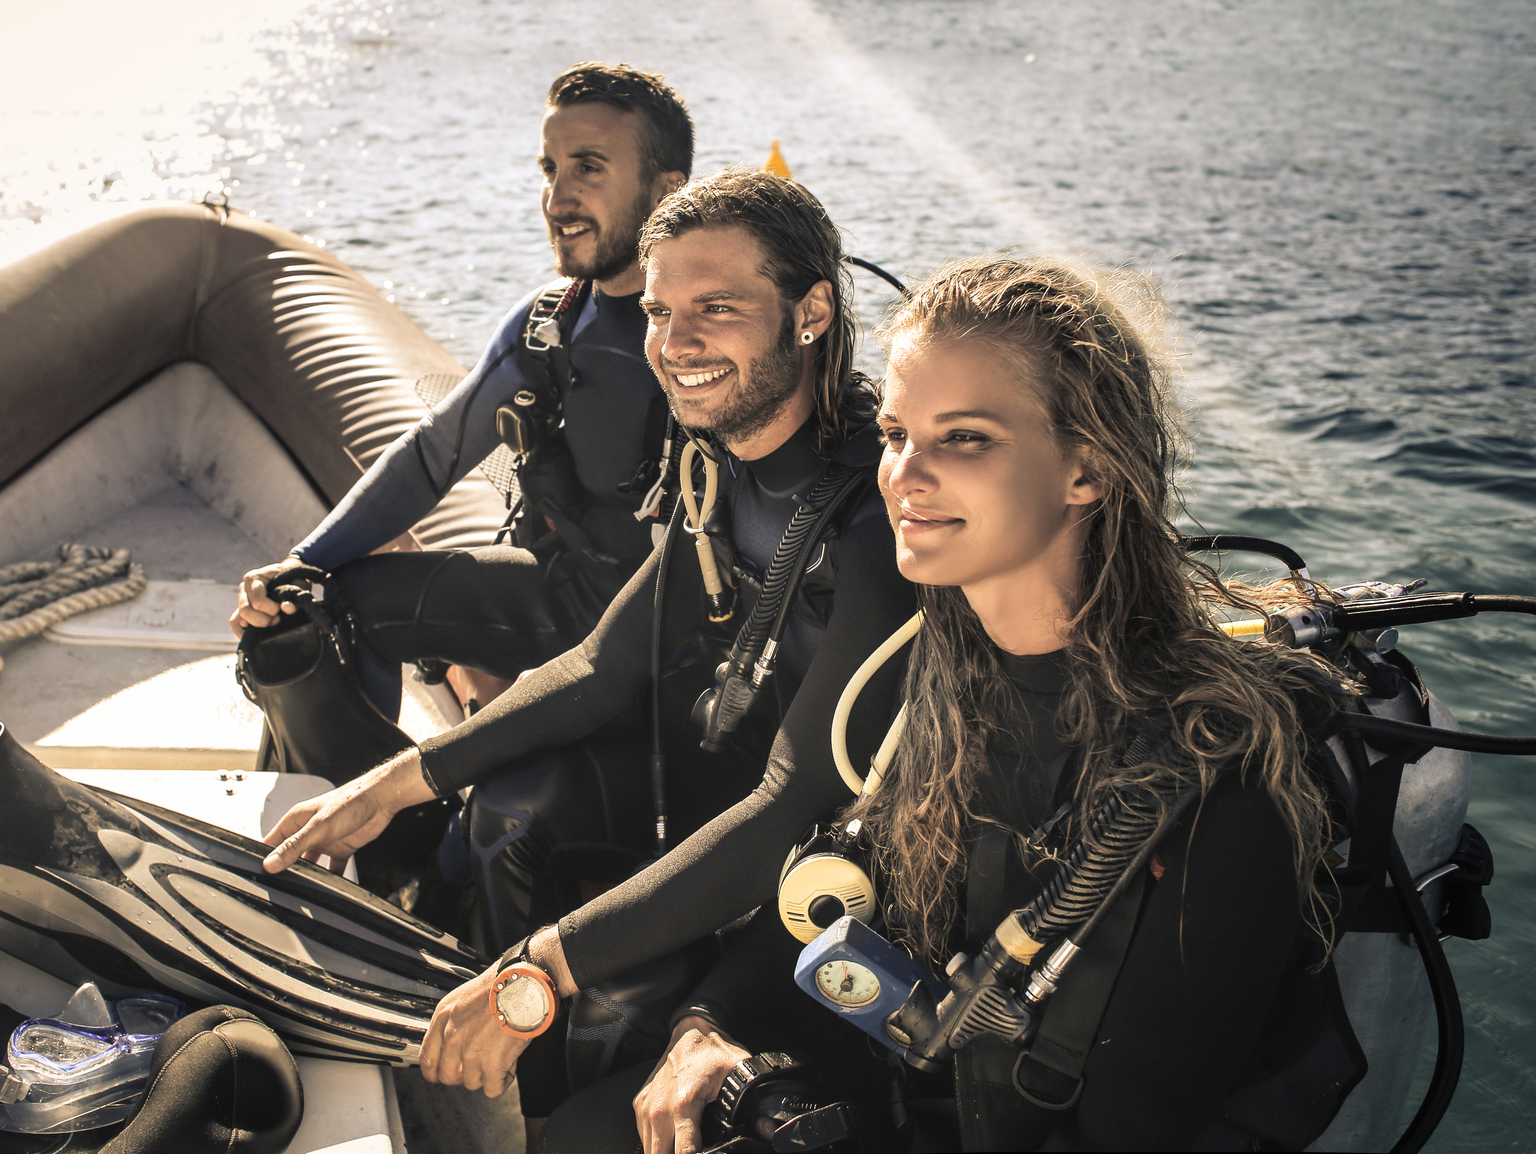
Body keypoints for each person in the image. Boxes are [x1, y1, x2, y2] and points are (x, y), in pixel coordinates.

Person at [546, 256, 1360, 1153]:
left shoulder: (1213, 791)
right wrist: (706, 1028)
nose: (905, 474)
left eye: (964, 438)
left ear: (1084, 469)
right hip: (921, 1093)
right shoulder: (944, 674)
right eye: (895, 433)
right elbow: (843, 900)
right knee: (584, 1132)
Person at [260, 167, 917, 1139]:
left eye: (717, 308)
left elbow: (790, 805)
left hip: (818, 874)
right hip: (703, 784)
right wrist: (393, 784)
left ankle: (576, 1068)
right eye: (659, 311)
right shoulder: (715, 462)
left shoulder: (872, 527)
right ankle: (520, 1081)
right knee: (510, 810)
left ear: (811, 311)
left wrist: (543, 965)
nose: (674, 343)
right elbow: (604, 666)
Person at [228, 62, 691, 765]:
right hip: (561, 593)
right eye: (549, 168)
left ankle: (400, 816)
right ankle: (349, 825)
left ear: (667, 193)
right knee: (317, 604)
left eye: (589, 168)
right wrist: (299, 566)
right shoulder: (551, 321)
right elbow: (431, 455)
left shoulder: (703, 340)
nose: (558, 197)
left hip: (659, 639)